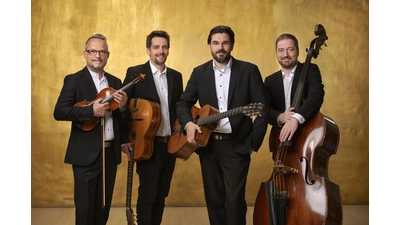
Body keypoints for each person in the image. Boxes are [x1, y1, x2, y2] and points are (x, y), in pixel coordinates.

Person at [175, 25, 268, 225]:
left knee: (234, 201)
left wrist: (253, 141)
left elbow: (262, 109)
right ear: (209, 46)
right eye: (216, 43)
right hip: (207, 146)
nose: (221, 47)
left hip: (237, 145)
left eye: (225, 42)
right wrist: (188, 124)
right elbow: (183, 103)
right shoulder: (199, 72)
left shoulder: (248, 70)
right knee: (214, 200)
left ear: (232, 45)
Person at [53, 33, 132, 225]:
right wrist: (90, 111)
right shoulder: (74, 80)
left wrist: (123, 108)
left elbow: (124, 120)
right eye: (93, 51)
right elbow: (60, 111)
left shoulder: (115, 82)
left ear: (108, 55)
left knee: (102, 209)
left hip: (109, 155)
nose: (98, 55)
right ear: (85, 54)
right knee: (86, 209)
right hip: (85, 155)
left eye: (102, 51)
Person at [122, 30, 183, 225]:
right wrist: (126, 140)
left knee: (161, 194)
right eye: (156, 47)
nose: (161, 51)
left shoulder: (176, 76)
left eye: (164, 47)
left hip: (170, 145)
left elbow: (178, 109)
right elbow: (124, 108)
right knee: (147, 195)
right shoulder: (136, 73)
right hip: (147, 145)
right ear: (148, 50)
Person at [263, 33, 324, 143]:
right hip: (280, 138)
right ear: (276, 53)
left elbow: (316, 96)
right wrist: (279, 117)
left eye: (290, 49)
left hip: (307, 133)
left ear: (298, 51)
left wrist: (296, 118)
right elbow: (266, 110)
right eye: (281, 50)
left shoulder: (310, 70)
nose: (285, 54)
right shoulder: (270, 81)